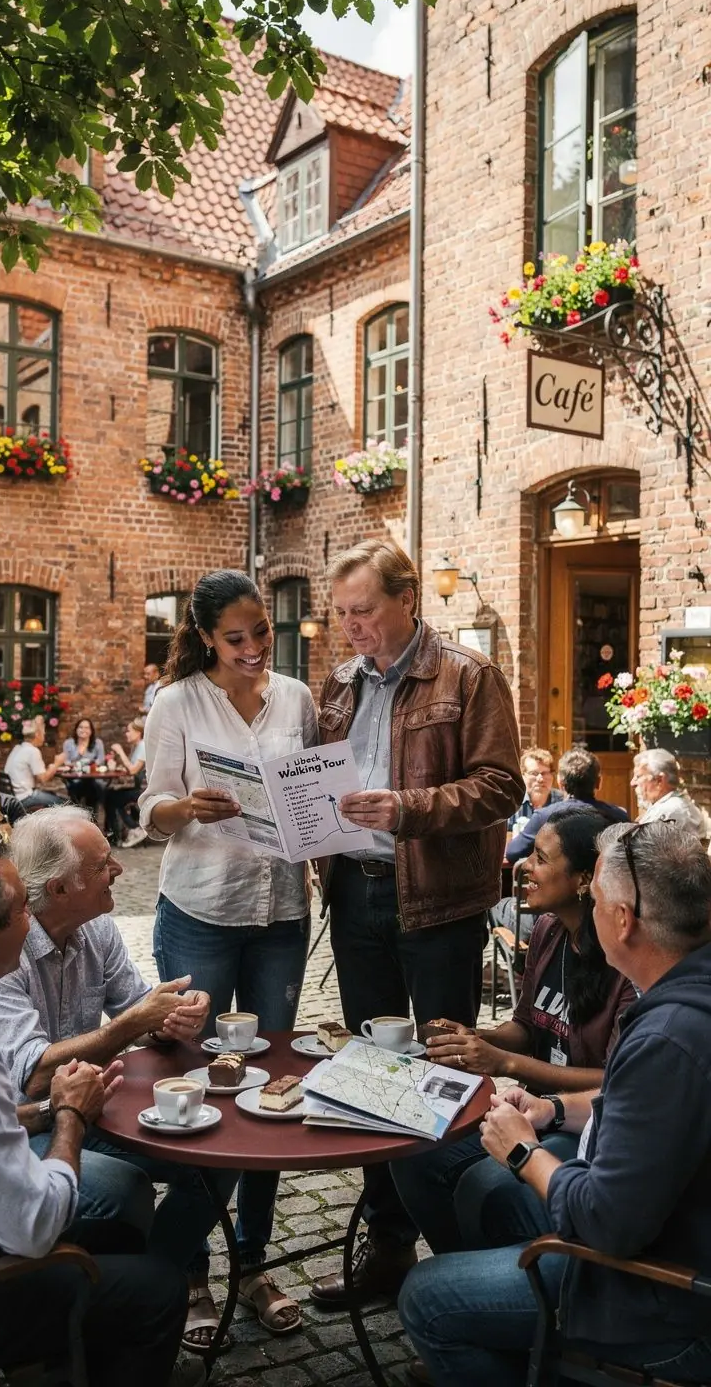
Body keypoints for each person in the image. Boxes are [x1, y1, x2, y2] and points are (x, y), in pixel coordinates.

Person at [398, 820, 711, 1387]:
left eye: (597, 900)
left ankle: (534, 1356)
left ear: (623, 920)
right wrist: (554, 1112)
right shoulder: (684, 993)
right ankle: (522, 1347)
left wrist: (524, 1154)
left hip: (661, 1300)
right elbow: (633, 1108)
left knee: (425, 1296)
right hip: (662, 1240)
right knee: (478, 1191)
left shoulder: (666, 1037)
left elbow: (607, 1223)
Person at [311, 538, 524, 1309]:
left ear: (407, 599)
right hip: (356, 895)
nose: (351, 628)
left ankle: (463, 1255)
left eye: (363, 610)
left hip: (438, 899)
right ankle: (390, 1244)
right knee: (371, 1075)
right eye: (341, 615)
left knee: (443, 1072)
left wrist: (410, 810)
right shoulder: (338, 685)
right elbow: (319, 783)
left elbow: (502, 786)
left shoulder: (467, 674)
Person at [0, 837, 187, 1387]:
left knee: (120, 1227)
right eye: (22, 909)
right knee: (156, 1290)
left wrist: (50, 1106)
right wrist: (71, 1118)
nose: (32, 917)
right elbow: (34, 1226)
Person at [140, 568, 318, 1348]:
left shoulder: (297, 698)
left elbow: (311, 790)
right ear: (207, 636)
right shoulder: (176, 702)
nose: (252, 649)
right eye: (236, 638)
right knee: (200, 1078)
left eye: (262, 635)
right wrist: (189, 805)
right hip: (202, 909)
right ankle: (192, 1274)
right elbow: (151, 812)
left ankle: (254, 1261)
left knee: (273, 1085)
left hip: (281, 908)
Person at [0, 806, 240, 1295]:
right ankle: (129, 1296)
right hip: (24, 1121)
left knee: (223, 1155)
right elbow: (32, 1076)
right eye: (102, 865)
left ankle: (152, 1283)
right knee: (123, 1189)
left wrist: (171, 1018)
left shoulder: (95, 927)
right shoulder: (4, 947)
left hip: (94, 1106)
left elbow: (136, 1009)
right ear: (57, 888)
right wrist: (133, 1022)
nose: (119, 869)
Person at [389, 807, 635, 1265]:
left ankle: (495, 1288)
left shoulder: (623, 958)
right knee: (412, 1152)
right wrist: (475, 1039)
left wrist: (504, 1065)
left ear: (584, 879)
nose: (524, 866)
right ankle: (460, 1269)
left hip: (574, 1122)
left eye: (541, 858)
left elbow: (615, 1082)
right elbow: (526, 1025)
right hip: (529, 1106)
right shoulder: (547, 931)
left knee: (484, 1185)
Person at [506, 747, 628, 865]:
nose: (540, 779)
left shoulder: (544, 816)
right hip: (603, 885)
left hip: (559, 885)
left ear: (560, 782)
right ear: (599, 782)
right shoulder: (619, 817)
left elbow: (513, 853)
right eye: (533, 773)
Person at [635, 747, 706, 836]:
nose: (633, 782)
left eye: (638, 777)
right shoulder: (668, 806)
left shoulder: (671, 811)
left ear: (659, 780)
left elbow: (643, 848)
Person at [5, 719, 66, 809]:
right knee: (65, 804)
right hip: (25, 797)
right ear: (37, 734)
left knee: (53, 795)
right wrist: (57, 763)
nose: (44, 737)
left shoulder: (17, 748)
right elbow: (43, 779)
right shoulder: (32, 751)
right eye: (43, 734)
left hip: (14, 796)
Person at [106, 717, 148, 846]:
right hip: (137, 787)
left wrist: (120, 752)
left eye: (129, 731)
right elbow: (131, 768)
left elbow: (134, 770)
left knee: (111, 797)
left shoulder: (143, 746)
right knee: (109, 795)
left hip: (143, 789)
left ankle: (134, 829)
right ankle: (116, 833)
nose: (126, 734)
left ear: (138, 732)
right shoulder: (136, 747)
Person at [507, 747, 563, 832]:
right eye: (534, 773)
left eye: (545, 773)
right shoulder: (511, 803)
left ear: (552, 776)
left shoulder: (563, 803)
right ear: (523, 776)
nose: (540, 779)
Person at [62, 716, 106, 811]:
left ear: (91, 731)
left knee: (94, 788)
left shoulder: (97, 743)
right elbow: (66, 761)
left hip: (94, 779)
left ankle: (92, 818)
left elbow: (101, 760)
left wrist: (82, 765)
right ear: (76, 729)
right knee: (78, 790)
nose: (83, 730)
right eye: (81, 727)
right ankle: (79, 816)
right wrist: (82, 761)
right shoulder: (68, 743)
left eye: (87, 728)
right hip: (75, 779)